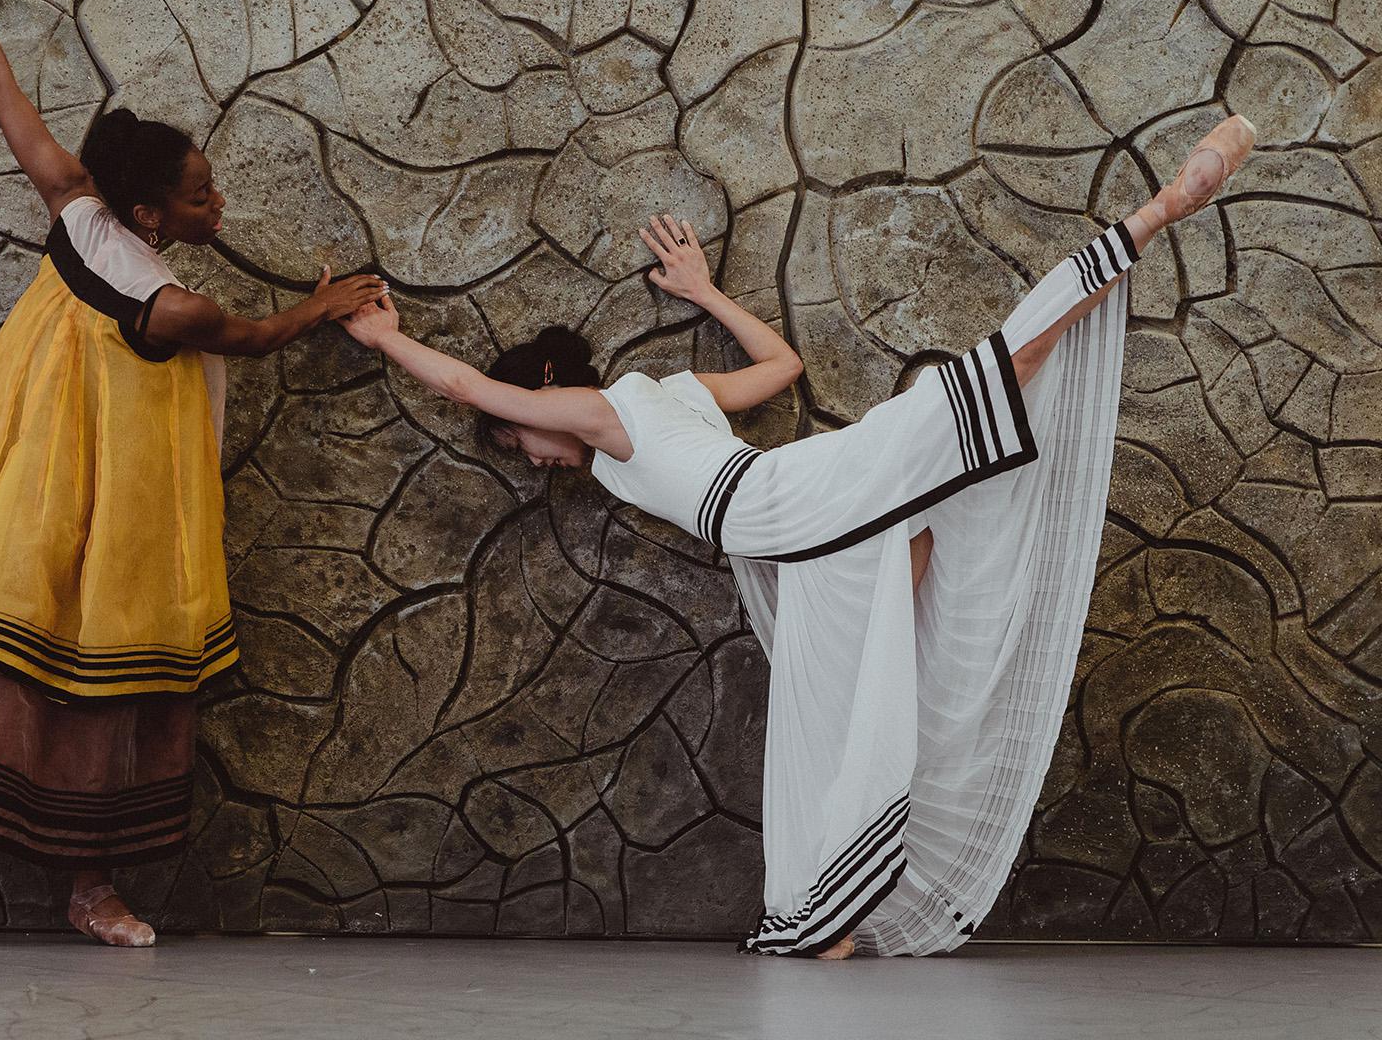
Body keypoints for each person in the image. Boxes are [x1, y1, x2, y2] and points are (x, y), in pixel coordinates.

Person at [342, 116, 1257, 958]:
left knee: (1004, 370)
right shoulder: (669, 395)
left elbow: (465, 386)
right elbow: (783, 366)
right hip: (808, 546)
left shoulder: (605, 408)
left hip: (806, 496)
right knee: (833, 724)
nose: (534, 459)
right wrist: (706, 295)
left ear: (543, 390)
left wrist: (387, 339)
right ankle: (830, 919)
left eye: (521, 441)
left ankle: (1166, 205)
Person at [0, 0, 387, 946]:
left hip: (39, 483)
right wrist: (323, 305)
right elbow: (251, 337)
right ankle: (23, 874)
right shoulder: (171, 298)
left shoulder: (73, 205)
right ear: (149, 212)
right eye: (199, 199)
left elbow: (0, 85)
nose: (217, 207)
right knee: (65, 668)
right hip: (85, 501)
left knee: (7, 657)